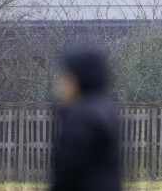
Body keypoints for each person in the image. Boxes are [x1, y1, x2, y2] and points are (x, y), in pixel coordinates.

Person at [51, 47, 121, 191]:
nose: (61, 83)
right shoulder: (105, 107)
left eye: (66, 76)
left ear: (78, 79)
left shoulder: (82, 117)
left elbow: (68, 172)